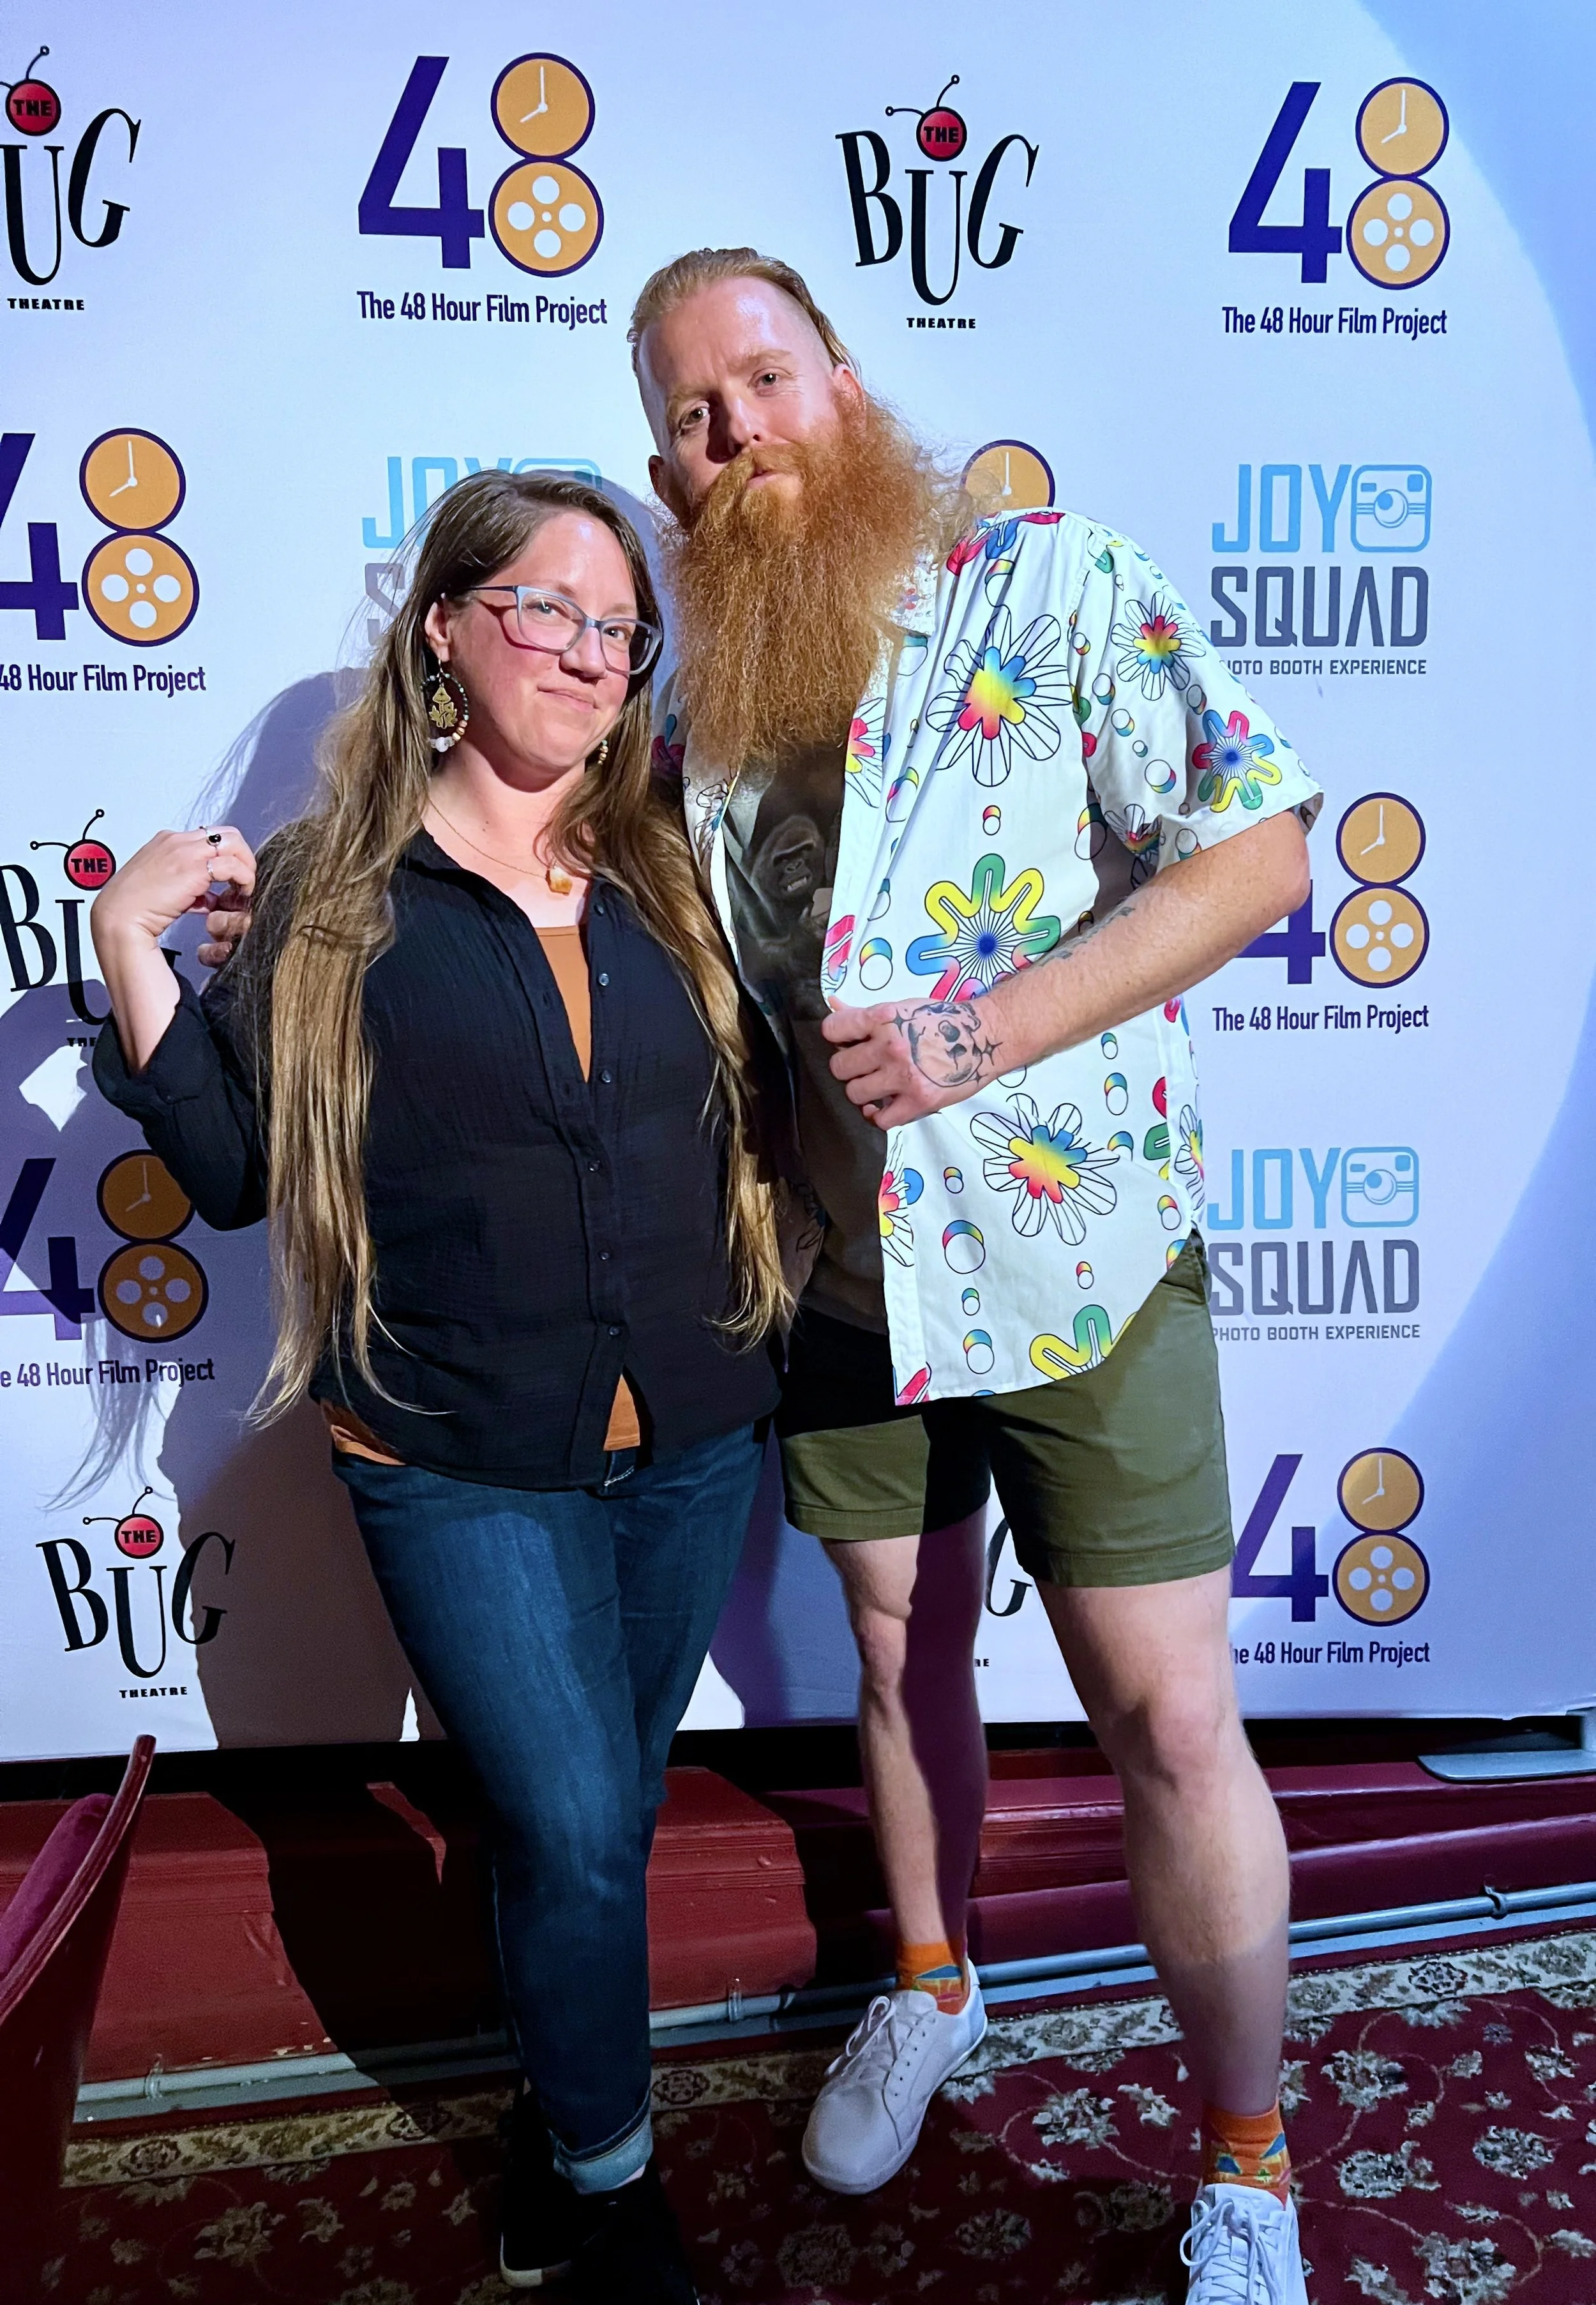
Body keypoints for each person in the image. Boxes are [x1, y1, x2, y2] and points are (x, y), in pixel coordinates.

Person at [629, 247, 1322, 2304]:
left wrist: (987, 1037)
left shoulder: (1052, 579)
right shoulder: (703, 718)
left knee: (1164, 1715)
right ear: (666, 469)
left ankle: (1247, 2158)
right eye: (692, 412)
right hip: (851, 1291)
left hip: (1081, 1258)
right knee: (893, 1647)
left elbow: (1263, 849)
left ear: (843, 384)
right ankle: (932, 1984)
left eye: (763, 377)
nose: (738, 429)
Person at [89, 469, 787, 2305]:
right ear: (444, 632)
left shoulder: (673, 867)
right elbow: (235, 1173)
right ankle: (614, 2191)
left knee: (598, 1831)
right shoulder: (328, 891)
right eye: (542, 608)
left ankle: (557, 2147)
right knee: (568, 1827)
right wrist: (125, 959)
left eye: (616, 626)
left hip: (694, 1439)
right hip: (454, 1453)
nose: (583, 650)